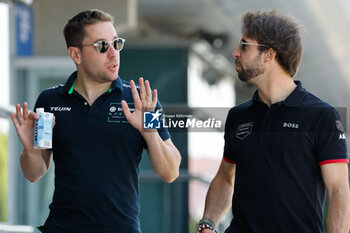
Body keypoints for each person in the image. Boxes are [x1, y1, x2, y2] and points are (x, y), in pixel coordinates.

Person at [11, 9, 181, 233]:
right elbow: (33, 173)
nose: (113, 54)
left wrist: (148, 130)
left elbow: (171, 172)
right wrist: (31, 150)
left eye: (116, 44)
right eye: (102, 46)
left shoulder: (142, 99)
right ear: (76, 55)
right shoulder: (50, 100)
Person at [198, 10, 350, 233]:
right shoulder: (238, 116)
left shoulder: (321, 116)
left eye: (244, 45)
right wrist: (207, 223)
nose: (235, 53)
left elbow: (338, 190)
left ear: (269, 54)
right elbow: (225, 176)